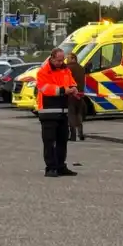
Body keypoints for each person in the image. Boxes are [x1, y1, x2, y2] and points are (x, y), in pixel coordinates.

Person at [36, 48, 80, 178]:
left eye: (62, 60)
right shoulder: (43, 71)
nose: (60, 62)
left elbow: (72, 83)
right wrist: (63, 91)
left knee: (62, 140)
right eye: (58, 60)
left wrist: (74, 89)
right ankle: (50, 167)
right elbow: (44, 88)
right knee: (49, 141)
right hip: (48, 111)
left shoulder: (66, 70)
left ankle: (61, 166)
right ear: (52, 58)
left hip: (63, 111)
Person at [65, 52, 87, 142]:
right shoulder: (81, 68)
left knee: (71, 115)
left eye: (69, 58)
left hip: (71, 94)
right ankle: (80, 133)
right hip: (80, 94)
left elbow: (66, 81)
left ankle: (73, 135)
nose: (67, 60)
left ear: (73, 58)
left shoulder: (68, 68)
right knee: (79, 114)